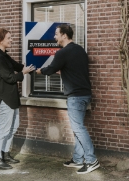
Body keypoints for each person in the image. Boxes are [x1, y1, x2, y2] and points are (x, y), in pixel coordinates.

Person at [36, 24, 100, 174]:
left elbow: (51, 69)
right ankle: (78, 159)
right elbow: (76, 70)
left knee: (78, 128)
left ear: (64, 35)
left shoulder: (62, 53)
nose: (54, 37)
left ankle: (91, 160)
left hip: (75, 96)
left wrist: (39, 71)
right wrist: (64, 72)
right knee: (78, 128)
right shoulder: (80, 50)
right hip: (84, 94)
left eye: (57, 34)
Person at [0, 27, 35, 170]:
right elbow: (9, 78)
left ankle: (5, 153)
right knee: (3, 129)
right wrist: (23, 73)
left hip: (11, 97)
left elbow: (18, 66)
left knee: (13, 126)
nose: (11, 40)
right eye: (8, 38)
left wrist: (36, 67)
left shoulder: (4, 56)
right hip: (4, 98)